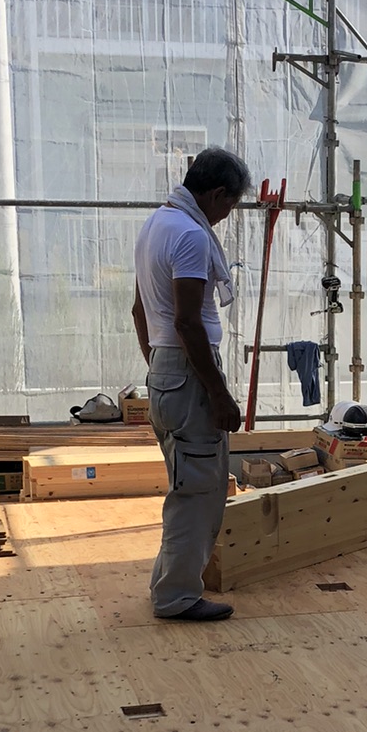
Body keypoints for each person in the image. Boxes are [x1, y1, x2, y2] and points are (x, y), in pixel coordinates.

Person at [132, 147, 248, 622]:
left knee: (188, 484)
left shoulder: (156, 225)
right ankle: (176, 596)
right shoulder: (190, 235)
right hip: (186, 369)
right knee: (198, 493)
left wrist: (159, 368)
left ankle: (168, 583)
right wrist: (218, 394)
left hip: (167, 368)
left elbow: (139, 310)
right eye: (230, 205)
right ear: (217, 194)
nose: (226, 216)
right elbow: (187, 322)